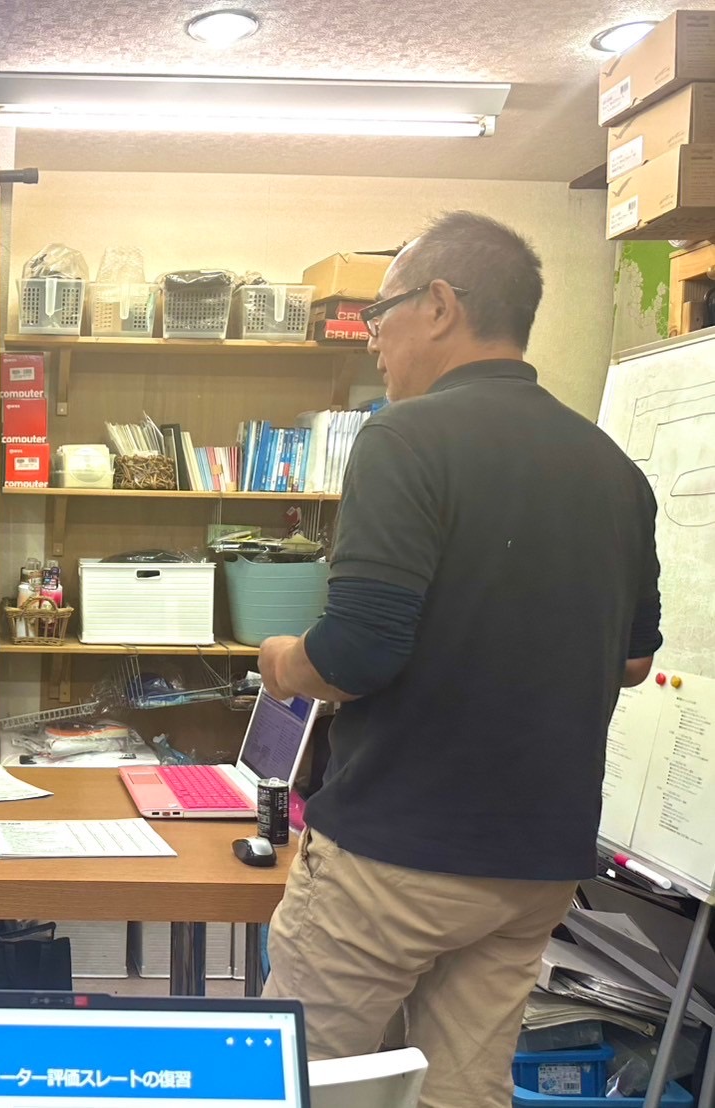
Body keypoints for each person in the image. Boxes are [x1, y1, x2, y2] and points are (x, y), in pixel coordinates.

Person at [256, 211, 661, 1108]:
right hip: (536, 860)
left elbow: (355, 653)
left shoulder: (406, 437)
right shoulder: (612, 469)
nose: (374, 344)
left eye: (380, 316)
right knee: (461, 1089)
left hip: (397, 853)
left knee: (301, 1084)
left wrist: (282, 662)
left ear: (438, 305)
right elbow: (633, 662)